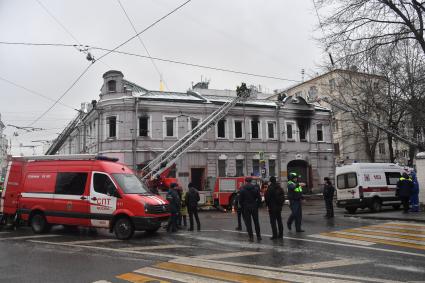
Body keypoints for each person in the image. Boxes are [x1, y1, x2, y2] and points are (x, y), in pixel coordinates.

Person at [239, 177, 262, 242]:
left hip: (246, 207)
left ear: (245, 181)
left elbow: (240, 200)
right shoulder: (255, 188)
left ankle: (251, 237)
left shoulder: (242, 189)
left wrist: (243, 205)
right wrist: (257, 205)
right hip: (254, 206)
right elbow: (259, 198)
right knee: (256, 222)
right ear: (251, 181)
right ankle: (258, 236)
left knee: (248, 223)